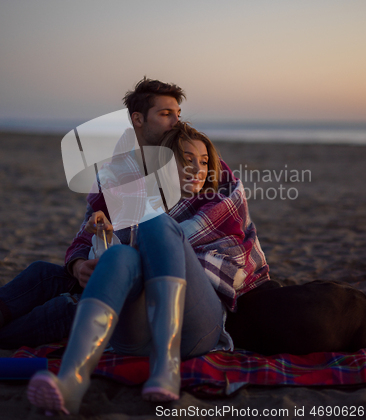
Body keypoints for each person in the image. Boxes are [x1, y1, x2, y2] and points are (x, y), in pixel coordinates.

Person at [27, 122, 268, 414]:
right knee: (119, 257)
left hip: (196, 327)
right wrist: (101, 237)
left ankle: (167, 365)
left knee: (154, 223)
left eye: (203, 161)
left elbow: (235, 262)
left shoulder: (218, 202)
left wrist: (161, 240)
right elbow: (98, 257)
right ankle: (71, 381)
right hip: (134, 335)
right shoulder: (131, 199)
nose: (198, 168)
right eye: (186, 159)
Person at [0, 78, 186, 348]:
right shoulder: (115, 171)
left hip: (149, 284)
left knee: (69, 307)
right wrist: (78, 266)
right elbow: (84, 234)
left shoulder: (192, 162)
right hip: (106, 267)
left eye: (178, 114)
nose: (176, 122)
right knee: (42, 273)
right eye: (166, 114)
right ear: (138, 119)